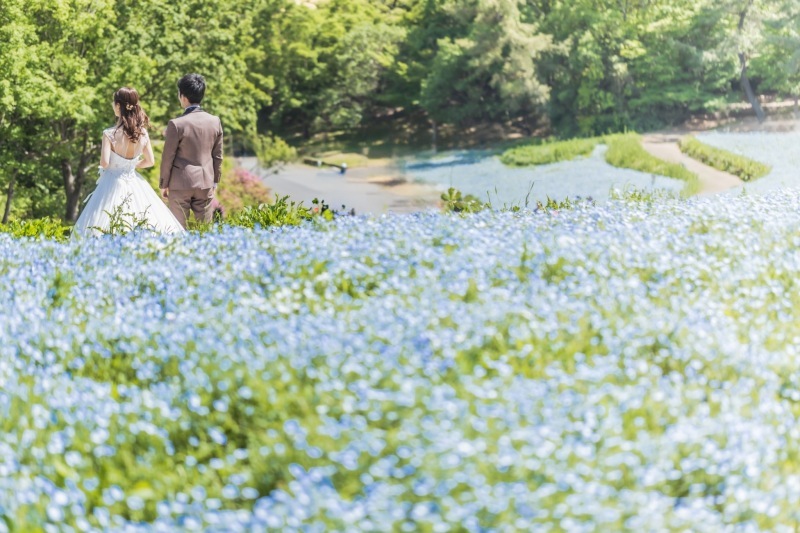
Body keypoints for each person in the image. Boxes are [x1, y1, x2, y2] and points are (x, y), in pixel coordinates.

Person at [73, 88, 184, 237]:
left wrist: (117, 165)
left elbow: (104, 163)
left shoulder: (109, 134)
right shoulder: (142, 133)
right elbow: (150, 161)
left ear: (118, 106)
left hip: (111, 183)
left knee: (104, 221)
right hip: (134, 181)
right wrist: (131, 165)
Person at [160, 73, 224, 228]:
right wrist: (215, 181)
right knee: (205, 230)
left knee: (178, 229)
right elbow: (218, 156)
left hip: (180, 184)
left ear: (182, 96)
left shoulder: (176, 124)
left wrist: (163, 184)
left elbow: (168, 157)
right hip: (205, 183)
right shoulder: (215, 121)